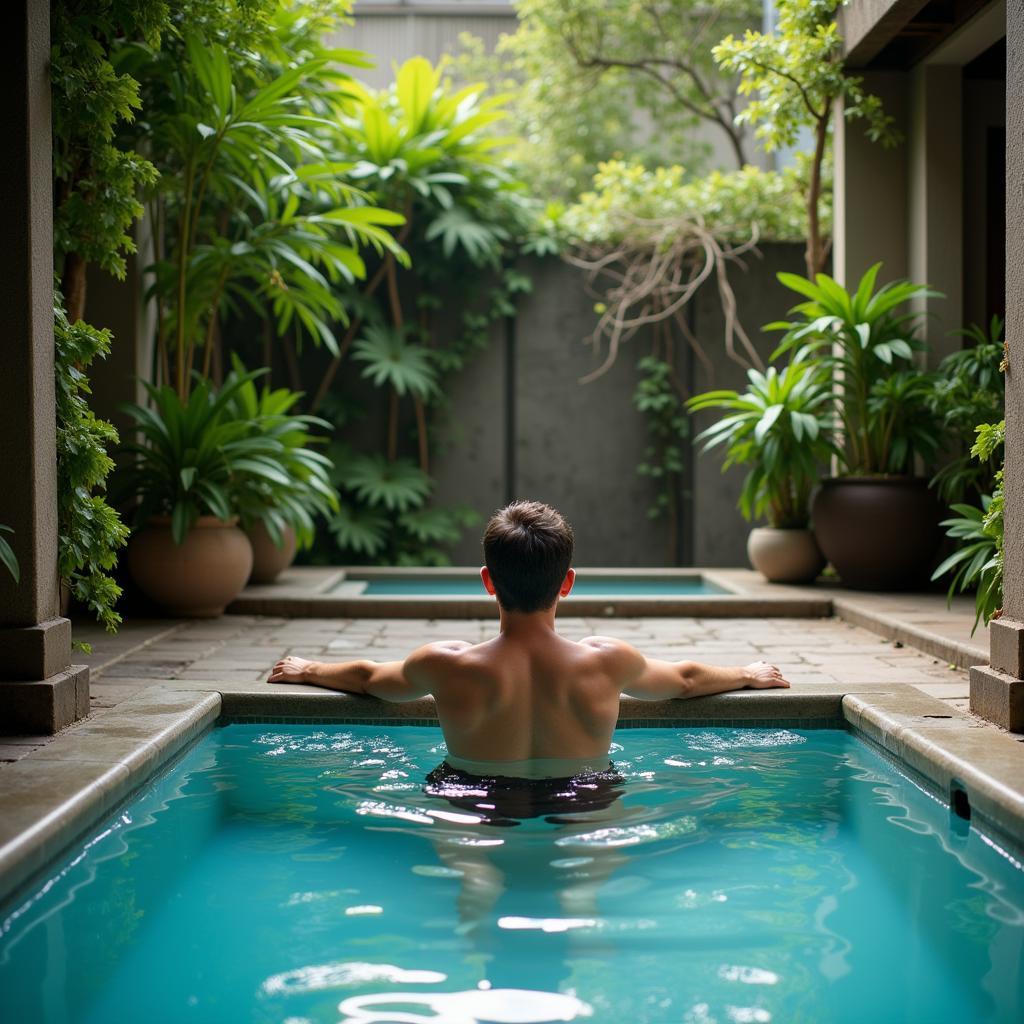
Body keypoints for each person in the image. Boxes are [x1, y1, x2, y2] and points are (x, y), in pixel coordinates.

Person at [268, 499, 790, 786]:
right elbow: (686, 680)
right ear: (567, 582)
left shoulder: (445, 664)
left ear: (487, 581)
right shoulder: (608, 660)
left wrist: (309, 668)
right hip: (586, 794)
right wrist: (747, 673)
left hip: (472, 795)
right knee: (584, 892)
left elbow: (366, 679)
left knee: (474, 885)